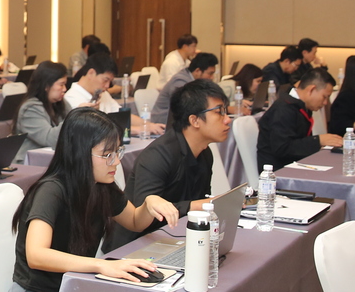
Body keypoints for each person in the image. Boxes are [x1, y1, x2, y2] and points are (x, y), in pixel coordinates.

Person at [5, 108, 178, 292]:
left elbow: (135, 221)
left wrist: (149, 203)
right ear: (80, 154)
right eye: (107, 154)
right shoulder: (52, 190)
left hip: (75, 291)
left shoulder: (101, 186)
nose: (116, 161)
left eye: (117, 152)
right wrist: (101, 265)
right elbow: (37, 255)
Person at [108, 79, 231, 250]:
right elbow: (147, 210)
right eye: (219, 112)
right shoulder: (158, 156)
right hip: (135, 245)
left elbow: (199, 199)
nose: (227, 120)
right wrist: (197, 205)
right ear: (194, 120)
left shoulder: (204, 153)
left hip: (175, 237)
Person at [256, 68, 342, 170]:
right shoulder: (283, 109)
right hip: (277, 171)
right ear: (311, 89)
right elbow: (282, 148)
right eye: (324, 97)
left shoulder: (300, 105)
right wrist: (318, 141)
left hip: (295, 164)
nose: (325, 103)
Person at [64, 52, 160, 135]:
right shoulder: (71, 98)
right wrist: (139, 129)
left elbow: (122, 115)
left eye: (110, 81)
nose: (107, 86)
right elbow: (97, 130)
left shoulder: (102, 93)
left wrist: (149, 125)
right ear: (91, 73)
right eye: (105, 80)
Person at [13, 62, 69, 160]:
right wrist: (74, 117)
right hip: (31, 163)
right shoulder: (30, 109)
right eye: (61, 84)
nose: (65, 89)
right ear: (46, 85)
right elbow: (50, 139)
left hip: (52, 159)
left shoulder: (58, 103)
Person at [148, 52, 218, 125]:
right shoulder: (180, 81)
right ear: (197, 71)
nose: (212, 77)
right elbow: (185, 106)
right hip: (162, 123)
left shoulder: (194, 80)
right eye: (210, 73)